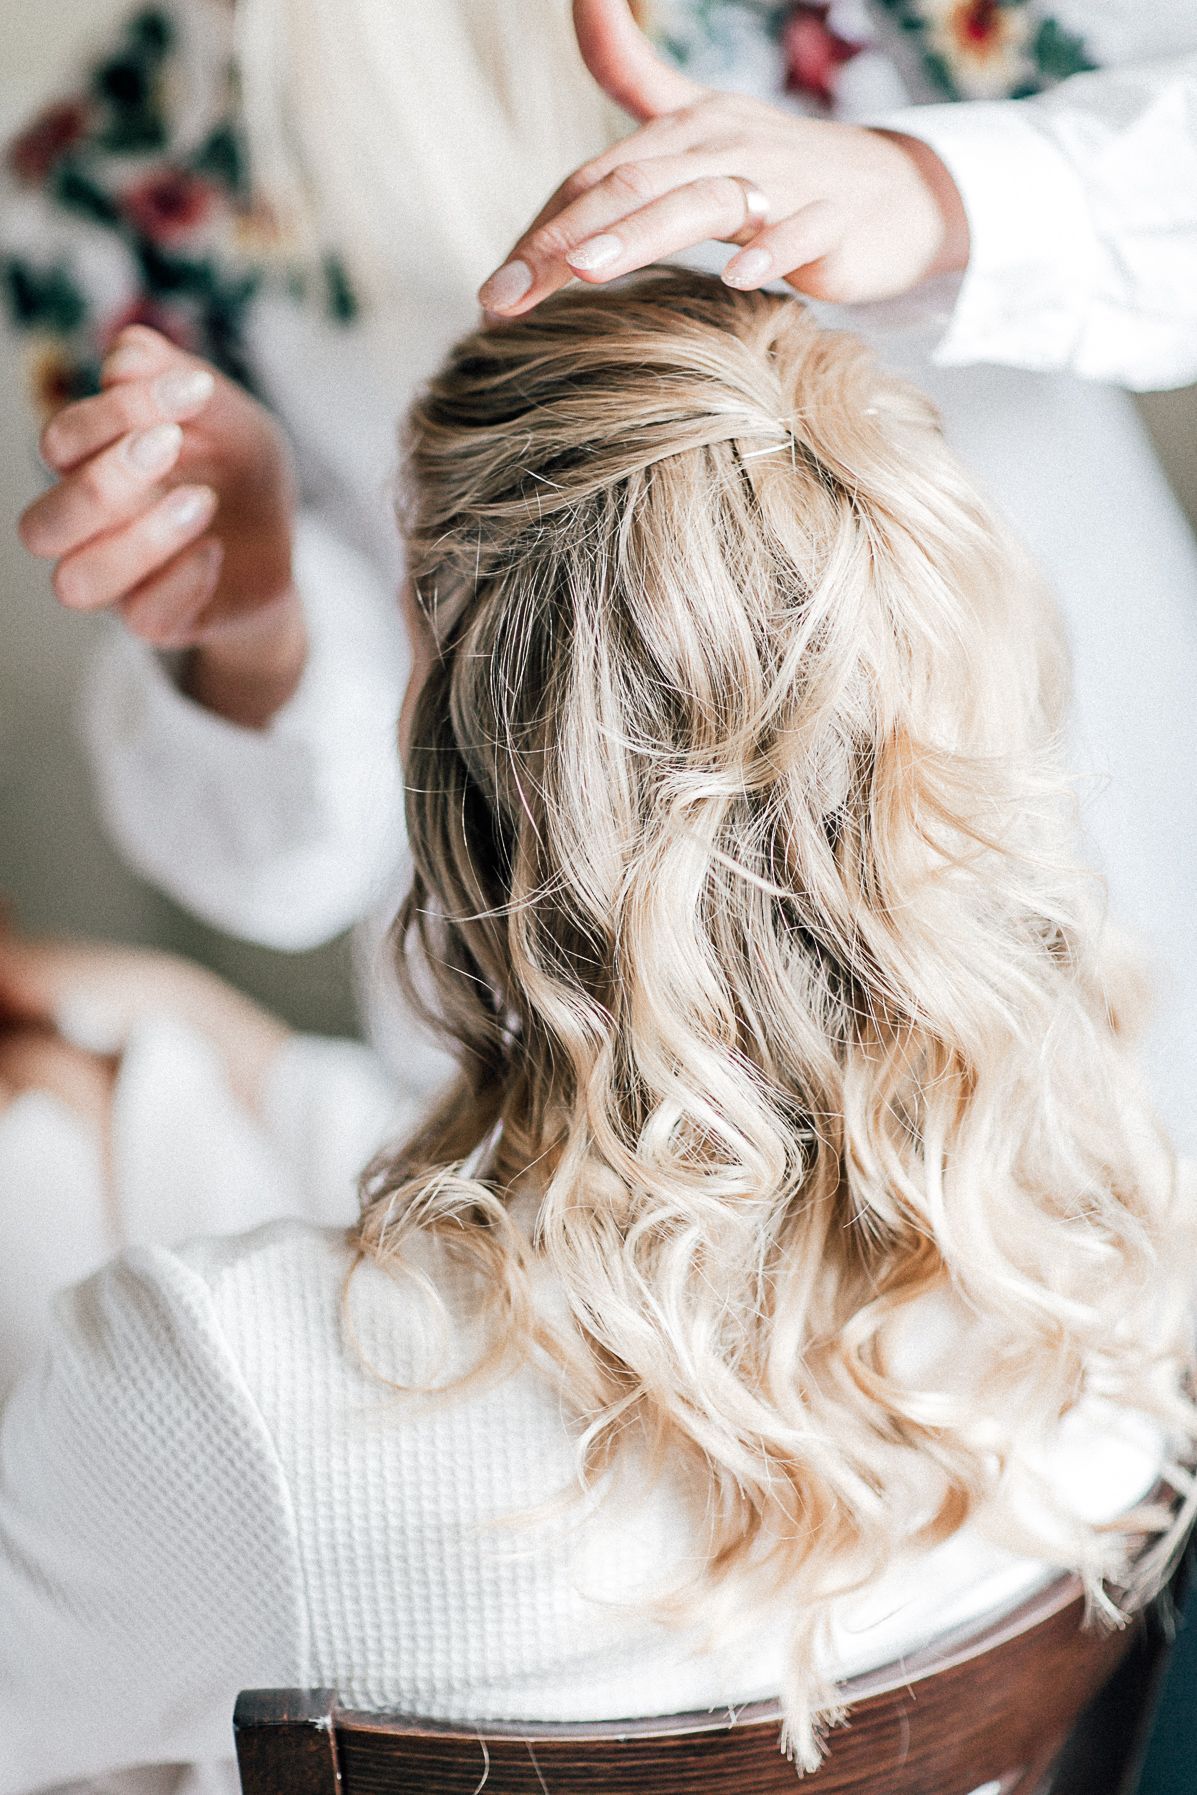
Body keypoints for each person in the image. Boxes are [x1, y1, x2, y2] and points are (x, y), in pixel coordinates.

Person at [1, 272, 1194, 1795]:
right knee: (98, 1071)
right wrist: (170, 1040)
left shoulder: (213, 1393)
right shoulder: (1116, 1255)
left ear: (467, 771)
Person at [6, 0, 1197, 1141]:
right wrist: (255, 627)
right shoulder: (105, 195)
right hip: (597, 1060)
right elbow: (283, 871)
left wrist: (934, 193)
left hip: (1057, 870)